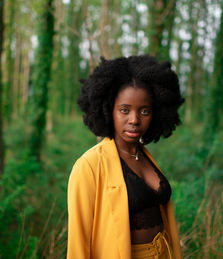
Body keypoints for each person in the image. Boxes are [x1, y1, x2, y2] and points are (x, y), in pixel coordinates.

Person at [67, 55, 184, 259]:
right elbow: (79, 243)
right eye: (124, 110)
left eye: (144, 111)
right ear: (108, 110)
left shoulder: (144, 156)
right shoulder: (89, 165)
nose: (134, 120)